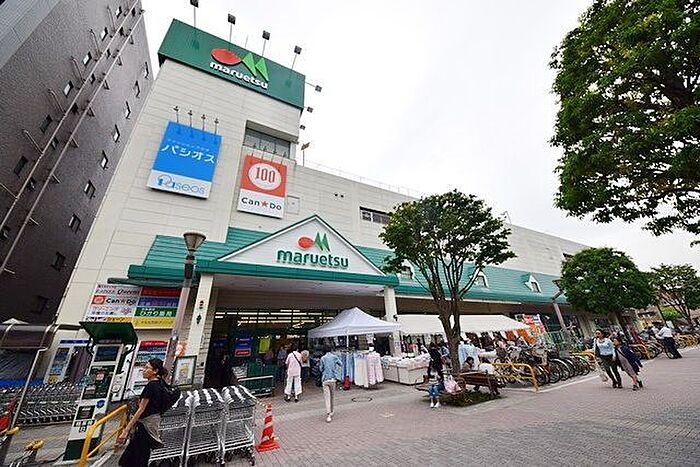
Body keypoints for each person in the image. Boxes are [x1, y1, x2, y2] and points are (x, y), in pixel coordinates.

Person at [118, 358, 167, 467]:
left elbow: (141, 409)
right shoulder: (160, 383)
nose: (143, 370)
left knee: (137, 457)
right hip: (152, 424)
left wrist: (126, 430)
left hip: (145, 426)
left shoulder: (151, 386)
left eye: (147, 368)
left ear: (155, 371)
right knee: (135, 456)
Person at [318, 345, 342, 422]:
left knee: (327, 397)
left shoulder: (323, 358)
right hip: (333, 379)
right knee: (332, 396)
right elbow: (341, 364)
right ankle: (332, 411)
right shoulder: (334, 357)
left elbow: (321, 369)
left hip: (325, 379)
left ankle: (328, 414)